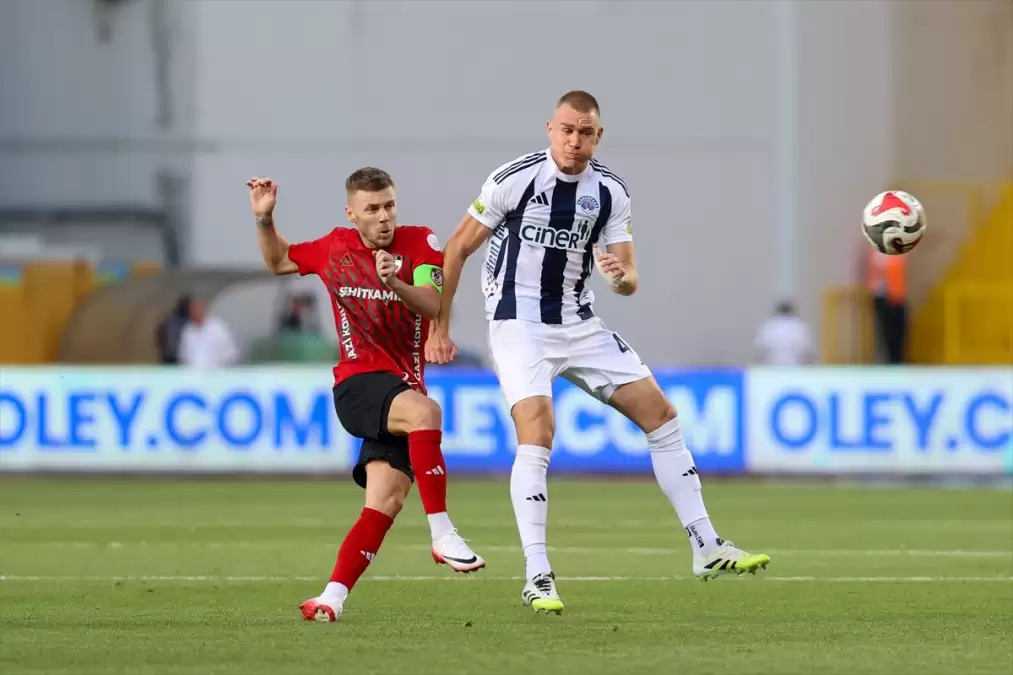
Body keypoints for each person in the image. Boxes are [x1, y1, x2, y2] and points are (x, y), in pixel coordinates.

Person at [426, 91, 769, 614]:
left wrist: (618, 276)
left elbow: (629, 278)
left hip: (579, 323)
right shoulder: (514, 179)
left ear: (598, 136)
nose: (574, 140)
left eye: (585, 132)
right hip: (519, 323)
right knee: (538, 430)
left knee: (661, 415)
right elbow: (456, 248)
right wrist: (440, 328)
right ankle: (537, 573)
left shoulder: (609, 192)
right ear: (550, 129)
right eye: (566, 130)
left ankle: (706, 546)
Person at [247, 167, 484, 623]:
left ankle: (330, 598)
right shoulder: (334, 247)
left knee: (385, 502)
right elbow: (278, 262)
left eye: (389, 205)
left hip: (401, 388)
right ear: (351, 214)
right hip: (357, 383)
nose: (384, 217)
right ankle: (442, 533)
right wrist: (264, 219)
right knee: (427, 413)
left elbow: (432, 304)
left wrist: (395, 282)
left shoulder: (421, 243)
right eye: (372, 209)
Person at [178, 296, 240, 368]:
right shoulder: (187, 331)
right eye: (192, 310)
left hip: (217, 372)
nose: (195, 312)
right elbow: (183, 357)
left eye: (197, 309)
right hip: (193, 372)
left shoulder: (218, 328)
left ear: (203, 309)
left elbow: (231, 355)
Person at [754, 300, 815, 365]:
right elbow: (808, 352)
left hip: (772, 368)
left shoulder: (768, 327)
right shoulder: (800, 327)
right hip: (795, 368)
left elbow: (759, 352)